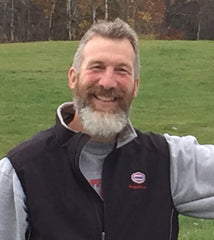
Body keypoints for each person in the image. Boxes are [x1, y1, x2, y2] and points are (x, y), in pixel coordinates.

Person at [0, 18, 214, 240]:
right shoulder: (20, 173)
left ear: (135, 86)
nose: (108, 82)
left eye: (122, 70)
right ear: (73, 78)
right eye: (97, 67)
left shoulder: (166, 162)